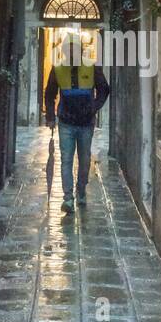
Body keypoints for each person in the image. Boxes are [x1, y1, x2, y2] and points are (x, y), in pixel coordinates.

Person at [44, 38, 110, 213]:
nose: (72, 53)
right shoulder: (58, 68)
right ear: (64, 51)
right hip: (66, 122)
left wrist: (94, 107)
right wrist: (50, 116)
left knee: (85, 159)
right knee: (66, 159)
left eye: (75, 50)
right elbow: (49, 93)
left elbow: (104, 89)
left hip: (86, 123)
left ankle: (81, 189)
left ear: (81, 51)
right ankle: (68, 198)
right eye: (68, 50)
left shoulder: (92, 67)